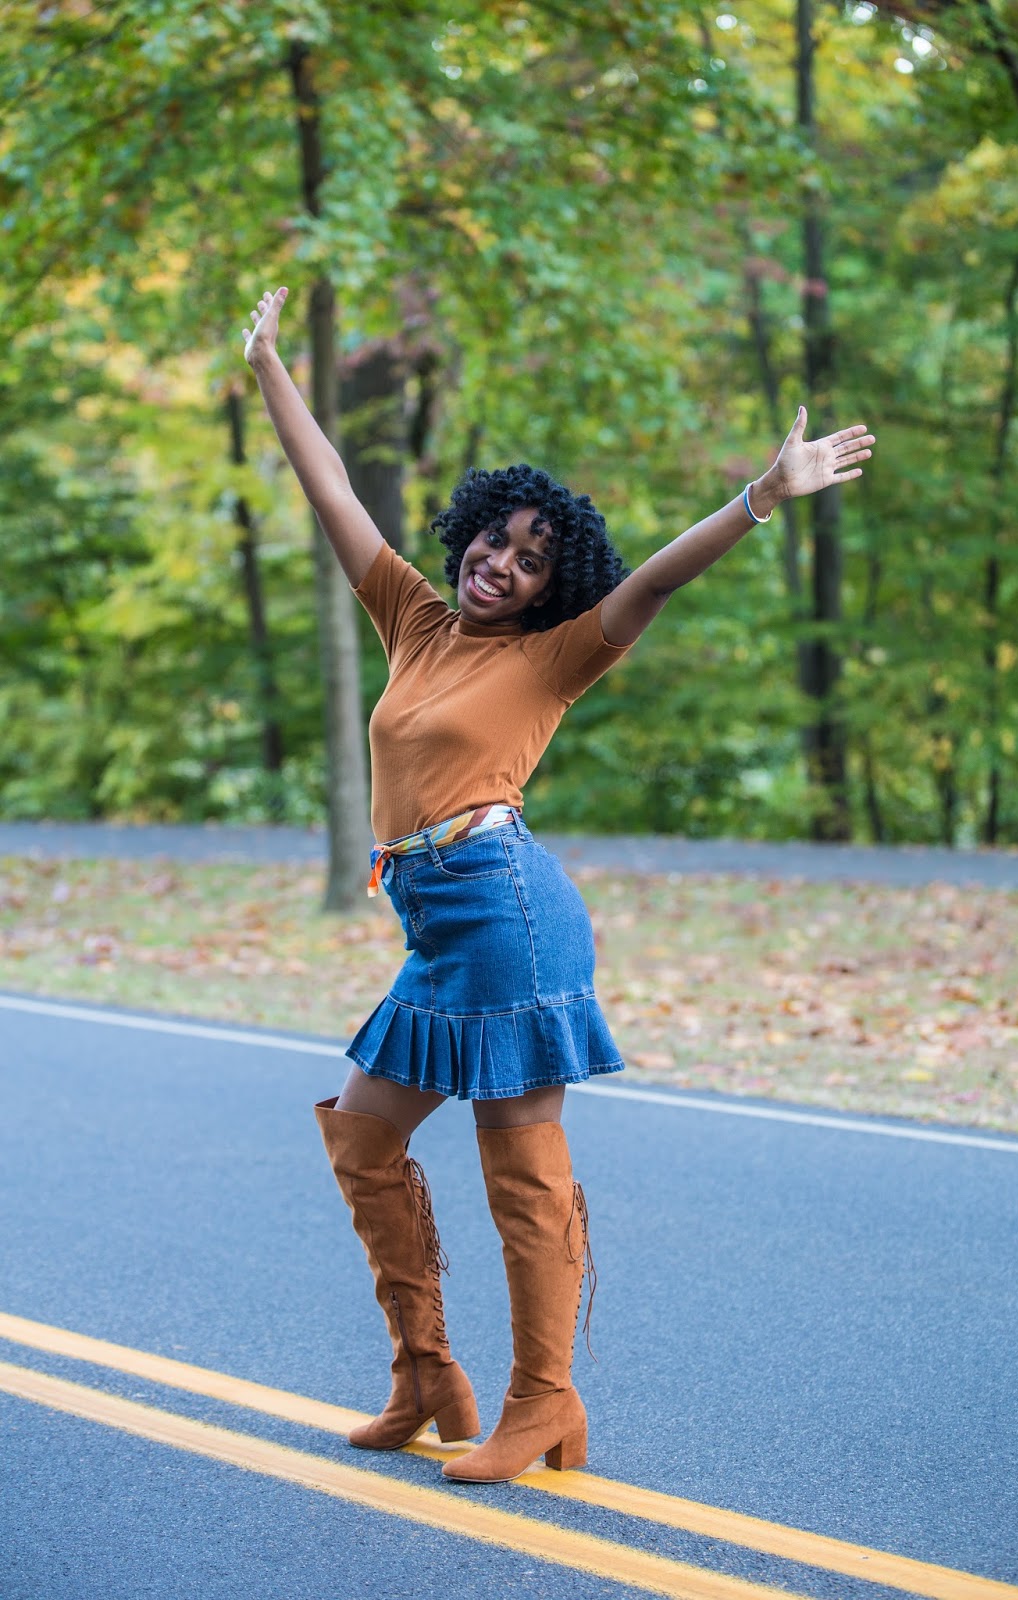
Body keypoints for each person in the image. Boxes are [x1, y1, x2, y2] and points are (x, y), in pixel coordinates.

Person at [241, 285, 874, 1484]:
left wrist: (759, 496)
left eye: (534, 558)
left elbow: (653, 586)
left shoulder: (557, 656)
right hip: (437, 925)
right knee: (363, 1137)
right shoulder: (414, 621)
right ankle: (428, 1374)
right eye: (496, 538)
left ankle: (544, 1400)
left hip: (508, 914)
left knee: (516, 1161)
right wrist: (269, 362)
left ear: (550, 586)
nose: (504, 562)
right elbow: (332, 489)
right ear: (467, 536)